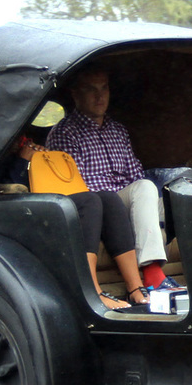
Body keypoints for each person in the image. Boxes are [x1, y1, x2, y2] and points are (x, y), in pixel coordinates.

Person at [46, 67, 181, 295]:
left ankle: (166, 272)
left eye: (104, 88)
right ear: (75, 94)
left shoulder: (117, 131)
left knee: (163, 191)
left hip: (126, 200)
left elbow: (135, 174)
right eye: (91, 90)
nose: (100, 97)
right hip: (98, 205)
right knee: (130, 193)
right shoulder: (65, 133)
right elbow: (80, 187)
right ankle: (151, 275)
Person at [0, 137, 148, 312]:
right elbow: (4, 187)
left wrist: (43, 160)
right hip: (26, 212)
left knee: (109, 198)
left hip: (51, 200)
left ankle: (135, 287)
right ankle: (92, 291)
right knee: (88, 201)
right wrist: (22, 160)